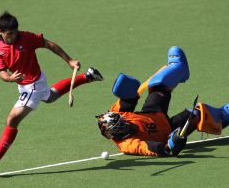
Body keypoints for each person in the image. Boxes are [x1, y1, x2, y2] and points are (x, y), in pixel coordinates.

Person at [0, 11, 103, 172]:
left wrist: (69, 60)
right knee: (50, 96)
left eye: (16, 32)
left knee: (12, 119)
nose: (14, 36)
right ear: (0, 32)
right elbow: (1, 71)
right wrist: (10, 78)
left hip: (33, 83)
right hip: (23, 84)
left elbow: (49, 44)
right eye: (10, 34)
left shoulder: (27, 38)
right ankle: (88, 76)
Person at [96, 46, 229, 157]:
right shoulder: (128, 144)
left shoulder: (118, 114)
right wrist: (172, 144)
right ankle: (224, 115)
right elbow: (159, 149)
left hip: (153, 113)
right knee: (197, 113)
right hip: (168, 131)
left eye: (122, 120)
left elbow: (129, 98)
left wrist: (127, 94)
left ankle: (179, 68)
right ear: (117, 132)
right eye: (122, 125)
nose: (125, 121)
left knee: (158, 85)